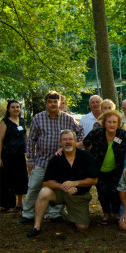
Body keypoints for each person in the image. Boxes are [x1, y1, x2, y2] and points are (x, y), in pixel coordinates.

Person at [21, 91, 84, 224]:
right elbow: (31, 140)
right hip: (42, 160)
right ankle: (27, 213)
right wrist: (30, 160)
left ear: (60, 102)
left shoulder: (67, 118)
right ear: (46, 103)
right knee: (34, 187)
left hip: (61, 162)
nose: (53, 104)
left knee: (59, 187)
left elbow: (80, 131)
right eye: (50, 102)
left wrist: (74, 146)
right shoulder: (38, 118)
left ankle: (55, 213)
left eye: (55, 101)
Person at [27, 130, 98, 237]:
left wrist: (75, 183)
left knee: (82, 227)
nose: (68, 142)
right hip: (59, 193)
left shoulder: (86, 156)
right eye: (65, 140)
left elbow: (94, 180)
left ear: (75, 141)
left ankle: (72, 214)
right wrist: (64, 187)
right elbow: (46, 182)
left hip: (78, 196)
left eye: (70, 139)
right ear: (60, 143)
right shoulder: (55, 159)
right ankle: (36, 226)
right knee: (44, 192)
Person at [82, 110, 126, 225]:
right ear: (105, 123)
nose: (112, 125)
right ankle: (106, 215)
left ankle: (116, 214)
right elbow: (84, 143)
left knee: (115, 191)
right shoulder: (97, 133)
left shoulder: (122, 134)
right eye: (109, 122)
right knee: (102, 192)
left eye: (114, 122)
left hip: (115, 169)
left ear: (118, 123)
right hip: (99, 169)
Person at [0, 100, 28, 211]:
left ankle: (19, 203)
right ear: (8, 109)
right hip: (8, 155)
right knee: (8, 179)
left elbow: (25, 137)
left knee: (21, 178)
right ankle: (8, 204)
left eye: (17, 107)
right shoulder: (5, 122)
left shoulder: (21, 121)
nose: (16, 109)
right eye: (13, 107)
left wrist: (28, 150)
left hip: (20, 155)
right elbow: (0, 140)